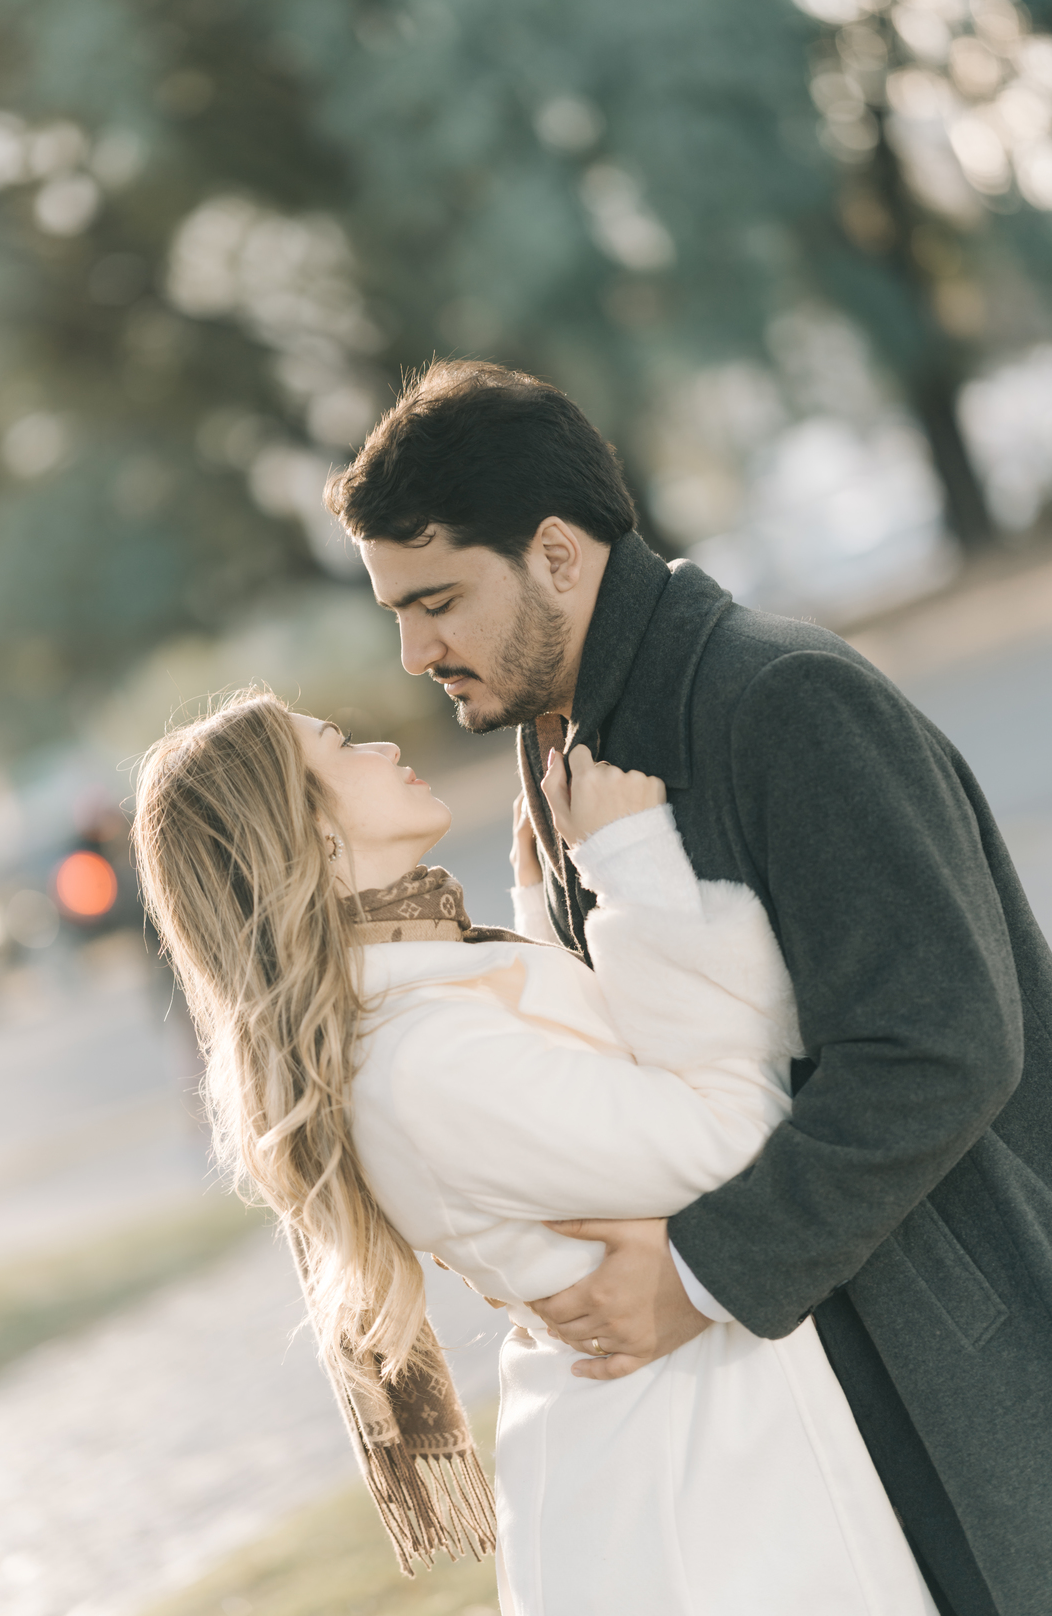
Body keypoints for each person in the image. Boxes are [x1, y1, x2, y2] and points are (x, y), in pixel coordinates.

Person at [325, 358, 1052, 1616]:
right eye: (397, 610)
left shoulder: (783, 699)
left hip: (958, 1361)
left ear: (557, 554)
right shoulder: (558, 741)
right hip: (813, 1393)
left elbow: (941, 1046)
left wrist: (699, 1275)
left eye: (438, 599)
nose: (414, 651)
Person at [132, 688, 935, 1614]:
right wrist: (637, 876)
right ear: (304, 834)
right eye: (340, 746)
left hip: (705, 1445)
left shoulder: (426, 986)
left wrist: (544, 924)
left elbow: (577, 1087)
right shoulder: (418, 1062)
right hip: (697, 1491)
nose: (384, 743)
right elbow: (741, 1141)